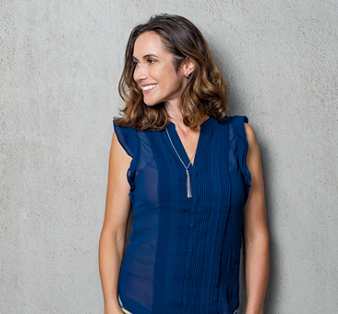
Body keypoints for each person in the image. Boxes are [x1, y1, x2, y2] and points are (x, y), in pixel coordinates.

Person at [98, 14, 269, 314]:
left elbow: (256, 235)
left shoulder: (240, 138)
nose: (139, 74)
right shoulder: (130, 138)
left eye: (151, 60)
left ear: (187, 64)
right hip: (141, 307)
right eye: (136, 63)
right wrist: (111, 307)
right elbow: (113, 233)